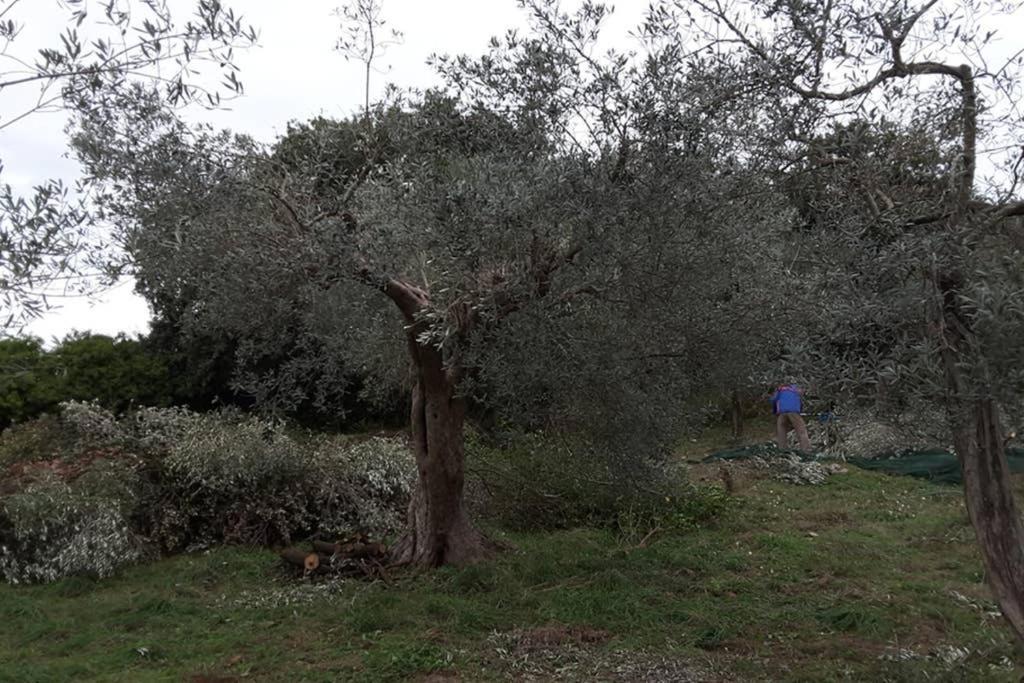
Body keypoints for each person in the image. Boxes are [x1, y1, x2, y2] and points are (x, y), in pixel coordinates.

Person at [771, 382, 811, 451]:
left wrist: (775, 412)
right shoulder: (796, 389)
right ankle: (806, 450)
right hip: (793, 412)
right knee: (801, 431)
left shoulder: (780, 390)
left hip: (782, 412)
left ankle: (782, 450)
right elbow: (800, 401)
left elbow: (773, 400)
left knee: (781, 431)